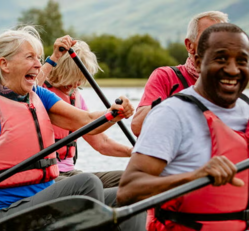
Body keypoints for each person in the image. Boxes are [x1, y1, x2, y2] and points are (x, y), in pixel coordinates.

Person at [0, 26, 143, 230]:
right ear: (4, 64)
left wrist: (114, 114)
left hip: (44, 200)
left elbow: (86, 121)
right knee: (87, 183)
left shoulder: (40, 96)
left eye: (38, 58)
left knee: (134, 193)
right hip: (2, 213)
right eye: (30, 57)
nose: (38, 64)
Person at [117, 23, 249, 231]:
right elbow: (127, 191)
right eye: (221, 59)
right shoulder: (171, 114)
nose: (233, 70)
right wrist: (194, 176)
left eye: (242, 61)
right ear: (198, 61)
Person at [37, 40, 132, 188]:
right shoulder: (39, 93)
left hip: (70, 173)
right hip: (47, 176)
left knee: (130, 179)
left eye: (81, 79)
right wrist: (54, 57)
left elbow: (102, 143)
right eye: (73, 78)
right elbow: (26, 89)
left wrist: (135, 152)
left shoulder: (76, 98)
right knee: (88, 183)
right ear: (61, 71)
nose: (77, 84)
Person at [131, 11, 229, 136]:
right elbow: (137, 127)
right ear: (189, 45)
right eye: (208, 37)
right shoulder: (166, 76)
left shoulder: (231, 83)